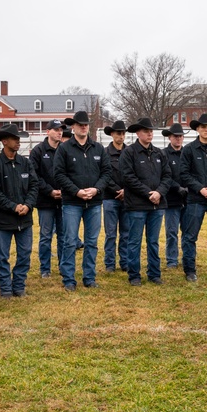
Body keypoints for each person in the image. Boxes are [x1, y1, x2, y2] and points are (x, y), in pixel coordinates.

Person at [53, 111, 111, 291]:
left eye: (86, 124)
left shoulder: (98, 148)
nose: (84, 127)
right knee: (70, 241)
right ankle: (69, 279)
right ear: (73, 126)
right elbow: (59, 174)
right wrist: (76, 192)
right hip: (72, 203)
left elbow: (106, 173)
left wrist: (96, 189)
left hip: (94, 203)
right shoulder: (64, 149)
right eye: (80, 124)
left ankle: (89, 277)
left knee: (92, 242)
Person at [0, 124, 38, 298]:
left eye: (18, 139)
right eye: (14, 139)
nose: (18, 142)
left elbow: (34, 186)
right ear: (4, 141)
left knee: (24, 254)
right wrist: (12, 206)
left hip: (25, 219)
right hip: (3, 220)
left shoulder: (25, 163)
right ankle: (5, 288)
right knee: (2, 256)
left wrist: (28, 205)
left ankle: (19, 285)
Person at [121, 118, 172, 286]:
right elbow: (128, 177)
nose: (149, 133)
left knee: (153, 241)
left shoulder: (159, 153)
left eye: (151, 131)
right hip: (136, 205)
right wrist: (148, 193)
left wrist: (159, 192)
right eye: (145, 131)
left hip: (157, 205)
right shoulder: (129, 152)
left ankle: (154, 274)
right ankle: (134, 275)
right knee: (134, 241)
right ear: (137, 133)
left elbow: (167, 176)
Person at [179, 113, 207, 283]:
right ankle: (190, 270)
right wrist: (200, 189)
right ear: (197, 129)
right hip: (195, 200)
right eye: (203, 127)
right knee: (190, 236)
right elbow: (184, 174)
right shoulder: (189, 150)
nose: (206, 129)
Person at [30, 119, 65, 279]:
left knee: (64, 235)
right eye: (56, 129)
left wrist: (64, 190)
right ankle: (45, 268)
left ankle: (63, 266)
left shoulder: (65, 150)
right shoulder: (38, 151)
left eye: (61, 130)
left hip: (64, 200)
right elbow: (34, 176)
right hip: (45, 201)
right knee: (45, 235)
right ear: (48, 131)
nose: (59, 132)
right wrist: (50, 191)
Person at [102, 120, 129, 273]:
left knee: (126, 233)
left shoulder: (130, 152)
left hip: (128, 198)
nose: (121, 136)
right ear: (112, 134)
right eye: (118, 133)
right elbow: (104, 175)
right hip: (109, 198)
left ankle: (124, 262)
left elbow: (134, 173)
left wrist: (127, 190)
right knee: (110, 233)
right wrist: (117, 190)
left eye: (123, 133)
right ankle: (110, 264)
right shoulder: (105, 153)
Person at [161, 123, 188, 269]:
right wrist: (177, 187)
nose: (178, 139)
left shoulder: (188, 153)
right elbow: (164, 176)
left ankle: (187, 258)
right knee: (171, 232)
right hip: (171, 199)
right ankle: (171, 259)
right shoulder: (164, 154)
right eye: (175, 136)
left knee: (187, 232)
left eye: (180, 136)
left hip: (188, 199)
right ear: (170, 137)